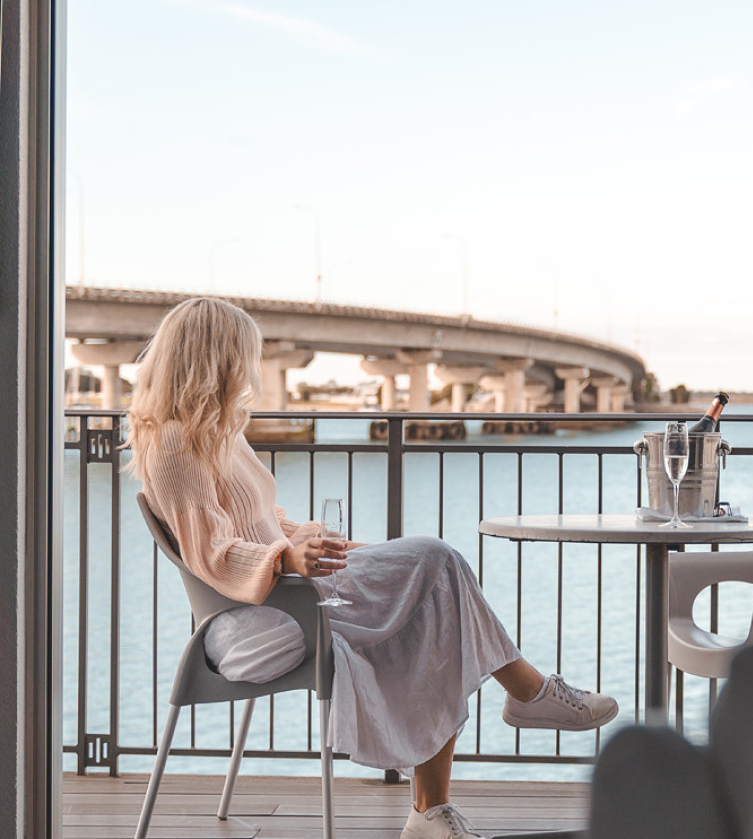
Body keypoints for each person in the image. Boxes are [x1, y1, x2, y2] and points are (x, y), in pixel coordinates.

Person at [125, 297, 618, 839]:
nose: (248, 368)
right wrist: (286, 559)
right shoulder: (172, 443)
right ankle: (522, 699)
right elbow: (212, 551)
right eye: (241, 354)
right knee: (436, 563)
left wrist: (323, 544)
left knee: (434, 591)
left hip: (284, 590)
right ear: (212, 359)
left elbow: (262, 523)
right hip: (254, 620)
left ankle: (437, 805)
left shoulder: (221, 433)